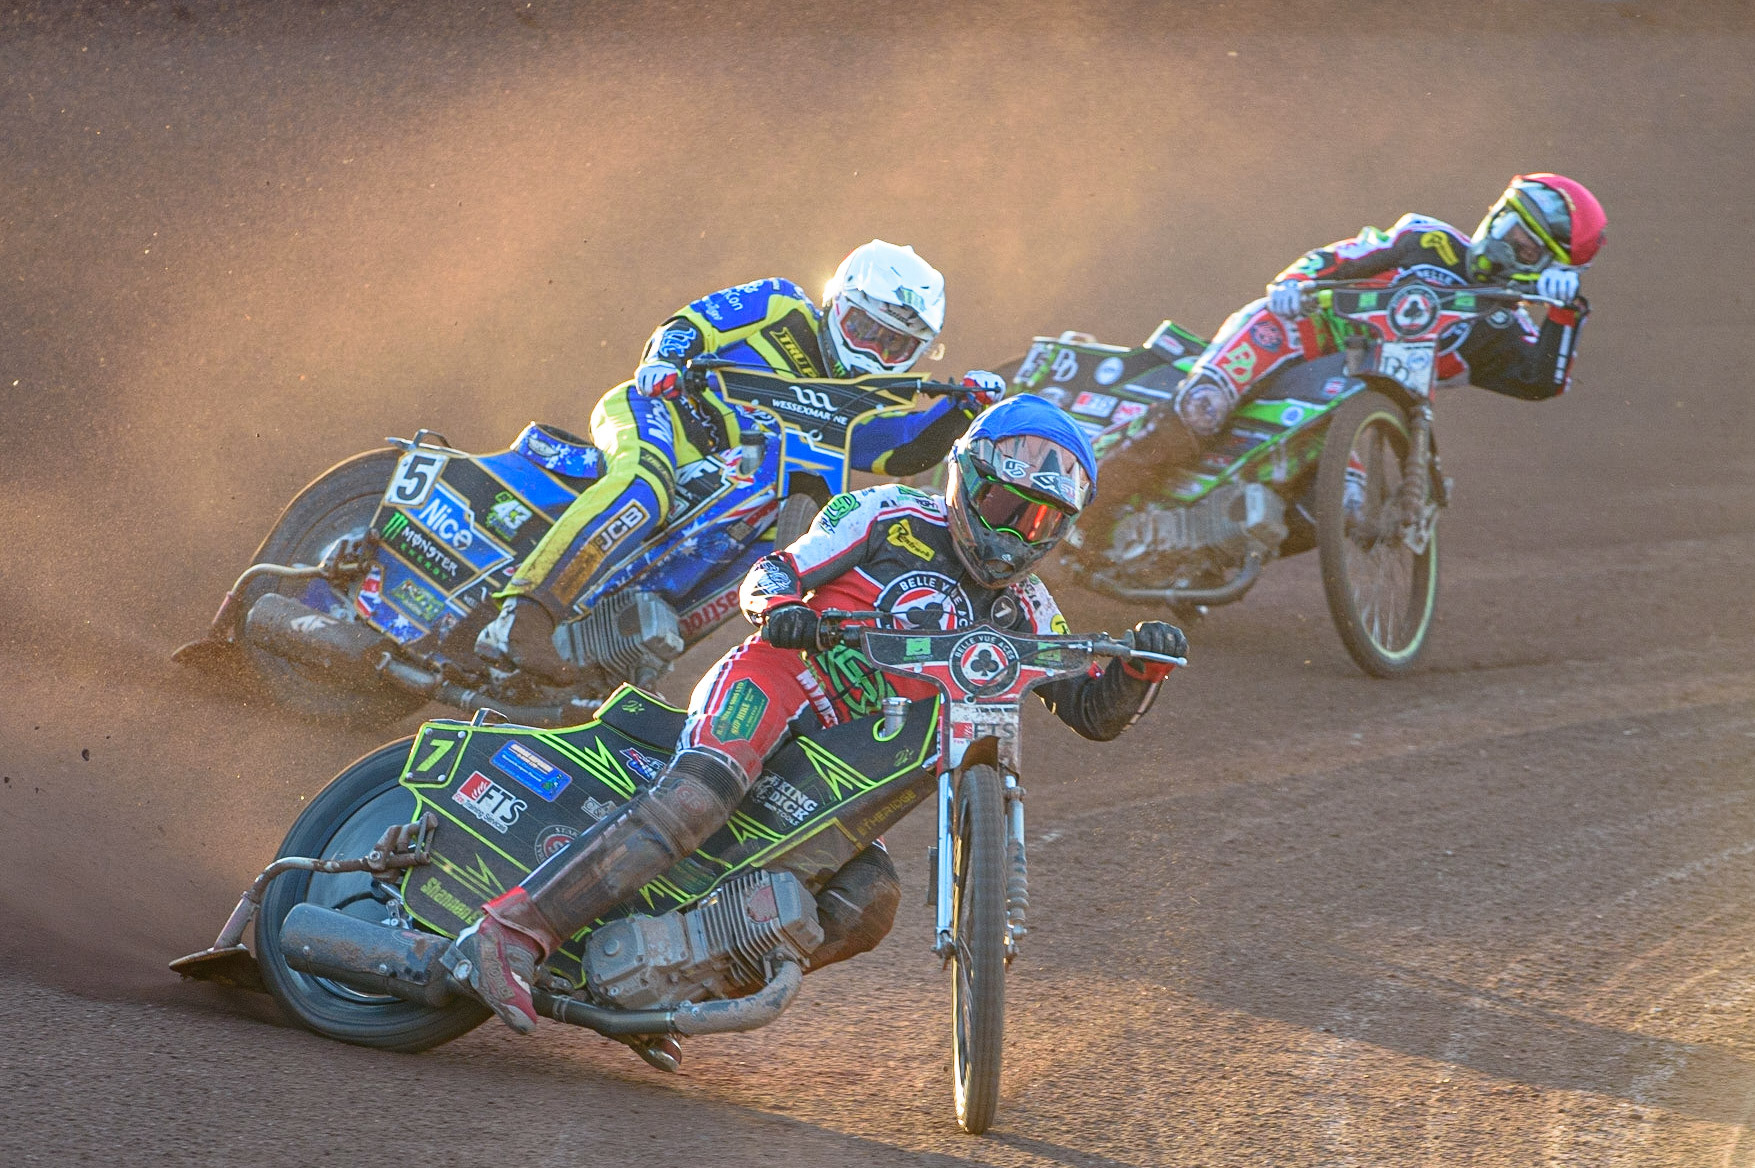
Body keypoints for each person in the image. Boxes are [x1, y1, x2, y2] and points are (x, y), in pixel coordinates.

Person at [448, 395, 1188, 1042]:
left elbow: (1091, 712)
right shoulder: (883, 515)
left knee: (868, 905)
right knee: (701, 793)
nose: (1016, 533)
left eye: (1039, 520)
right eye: (1004, 507)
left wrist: (1137, 667)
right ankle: (511, 931)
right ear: (966, 479)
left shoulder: (1028, 608)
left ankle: (665, 990)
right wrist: (784, 611)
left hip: (842, 774)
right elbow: (773, 573)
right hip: (777, 682)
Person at [476, 240, 1007, 683]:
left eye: (894, 346)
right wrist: (664, 360)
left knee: (765, 561)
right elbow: (691, 323)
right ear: (835, 300)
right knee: (646, 484)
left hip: (751, 476)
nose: (872, 351)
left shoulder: (875, 395)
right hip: (666, 413)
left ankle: (615, 660)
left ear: (916, 353)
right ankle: (521, 616)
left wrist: (962, 408)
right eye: (864, 329)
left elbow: (899, 451)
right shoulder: (780, 303)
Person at [1091, 174, 1607, 521]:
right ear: (1498, 214)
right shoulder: (1427, 241)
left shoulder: (1502, 325)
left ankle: (1201, 550)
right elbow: (1340, 256)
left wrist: (1565, 310)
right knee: (1201, 410)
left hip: (1352, 397)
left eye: (1526, 250)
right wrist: (1295, 283)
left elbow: (1544, 380)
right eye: (1512, 230)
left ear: (1548, 269)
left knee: (1344, 506)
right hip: (1293, 335)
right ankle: (1085, 509)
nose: (1506, 248)